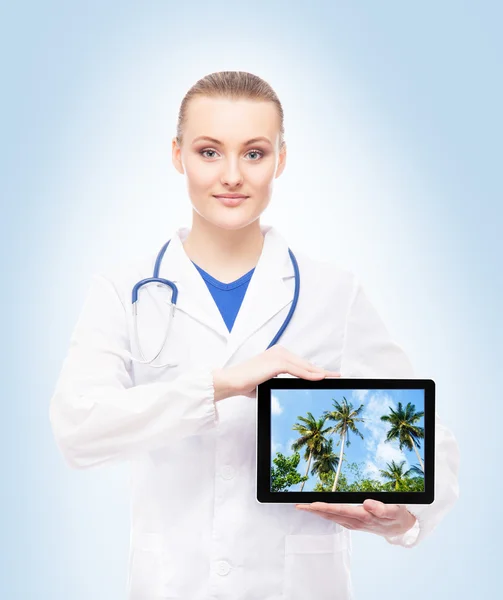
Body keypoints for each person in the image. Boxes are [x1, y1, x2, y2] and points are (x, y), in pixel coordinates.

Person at [49, 71, 460, 600]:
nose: (232, 176)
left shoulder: (335, 292)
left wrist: (402, 514)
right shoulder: (124, 290)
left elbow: (428, 438)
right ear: (177, 156)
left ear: (280, 160)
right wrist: (219, 385)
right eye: (208, 151)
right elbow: (77, 430)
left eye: (254, 153)